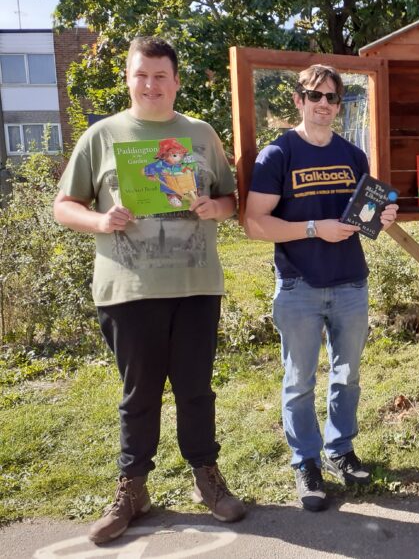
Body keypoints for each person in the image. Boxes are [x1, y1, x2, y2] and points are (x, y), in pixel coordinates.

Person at [54, 37, 245, 544]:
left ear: (176, 81)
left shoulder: (201, 135)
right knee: (138, 394)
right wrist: (100, 219)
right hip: (128, 288)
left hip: (196, 285)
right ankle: (132, 489)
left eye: (161, 76)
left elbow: (231, 198)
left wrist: (214, 208)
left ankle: (207, 476)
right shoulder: (102, 135)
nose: (151, 85)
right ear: (128, 78)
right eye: (142, 75)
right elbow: (63, 205)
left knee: (196, 389)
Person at [244, 64, 398, 512]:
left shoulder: (353, 156)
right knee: (299, 381)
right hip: (299, 284)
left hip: (351, 281)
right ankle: (306, 461)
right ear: (299, 100)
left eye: (333, 98)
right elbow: (255, 224)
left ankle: (340, 450)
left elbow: (364, 220)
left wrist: (383, 220)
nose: (325, 105)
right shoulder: (278, 154)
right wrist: (315, 228)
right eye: (316, 96)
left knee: (347, 376)